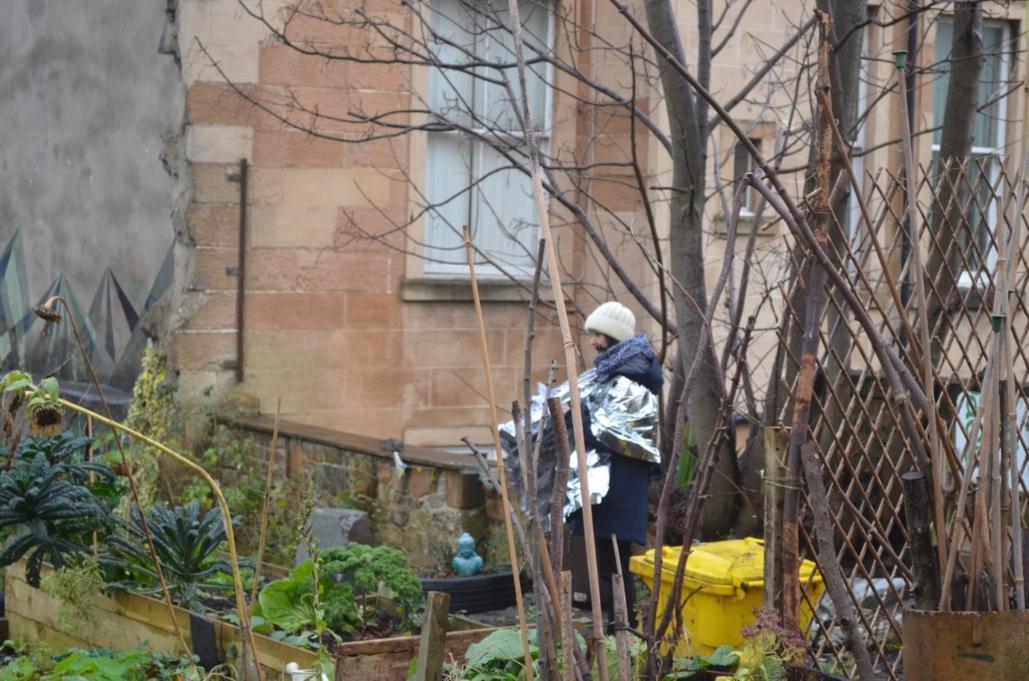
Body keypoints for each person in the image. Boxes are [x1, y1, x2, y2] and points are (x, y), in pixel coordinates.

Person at [566, 301, 662, 628]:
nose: (593, 341)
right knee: (609, 565)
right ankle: (615, 633)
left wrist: (574, 419)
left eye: (598, 335)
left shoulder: (635, 378)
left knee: (617, 567)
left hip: (620, 487)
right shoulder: (613, 370)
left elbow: (619, 434)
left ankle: (624, 633)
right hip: (607, 484)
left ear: (613, 336)